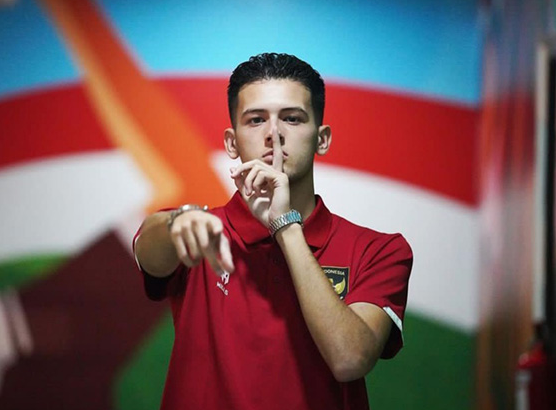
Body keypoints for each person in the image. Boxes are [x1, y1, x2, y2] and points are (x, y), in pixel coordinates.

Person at [132, 52, 413, 410]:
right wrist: (176, 222)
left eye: (292, 119)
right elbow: (150, 252)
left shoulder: (380, 250)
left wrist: (286, 226)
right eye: (255, 120)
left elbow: (349, 359)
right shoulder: (199, 230)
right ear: (231, 143)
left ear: (322, 139)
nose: (274, 133)